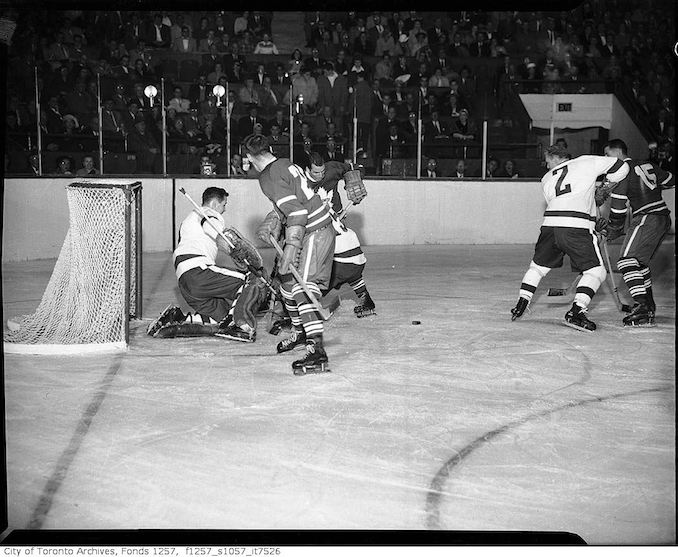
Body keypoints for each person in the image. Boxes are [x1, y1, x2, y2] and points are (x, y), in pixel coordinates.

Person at [510, 144, 630, 332]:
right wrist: (606, 188)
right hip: (576, 227)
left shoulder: (546, 178)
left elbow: (562, 201)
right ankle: (576, 311)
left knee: (538, 267)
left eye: (548, 160)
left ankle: (521, 304)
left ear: (557, 158)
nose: (547, 165)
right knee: (596, 272)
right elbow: (622, 167)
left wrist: (591, 208)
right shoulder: (586, 161)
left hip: (550, 226)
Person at [244, 133, 336, 375]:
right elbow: (290, 202)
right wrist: (273, 219)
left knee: (303, 287)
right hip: (317, 228)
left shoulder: (267, 177)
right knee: (286, 281)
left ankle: (316, 350)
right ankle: (300, 331)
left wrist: (291, 246)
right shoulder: (284, 163)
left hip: (313, 232)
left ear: (249, 158)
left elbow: (296, 213)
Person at [147, 187, 267, 342]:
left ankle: (176, 318)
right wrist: (232, 248)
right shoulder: (210, 214)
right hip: (199, 271)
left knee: (222, 318)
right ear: (215, 204)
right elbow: (212, 228)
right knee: (254, 279)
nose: (224, 209)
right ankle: (241, 326)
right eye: (224, 205)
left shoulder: (188, 220)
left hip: (185, 280)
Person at [600, 139, 675, 326]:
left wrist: (612, 229)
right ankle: (647, 306)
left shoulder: (621, 171)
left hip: (646, 218)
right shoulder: (647, 163)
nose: (605, 159)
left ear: (617, 153)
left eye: (607, 154)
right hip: (662, 218)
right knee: (639, 263)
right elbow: (670, 180)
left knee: (626, 261)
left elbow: (618, 209)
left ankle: (642, 307)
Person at [303, 153, 374, 317]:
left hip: (329, 233)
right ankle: (366, 300)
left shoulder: (332, 169)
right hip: (345, 240)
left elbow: (356, 167)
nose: (321, 176)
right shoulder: (300, 184)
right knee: (350, 269)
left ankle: (305, 308)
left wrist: (353, 179)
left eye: (322, 172)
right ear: (307, 170)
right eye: (316, 173)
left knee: (316, 277)